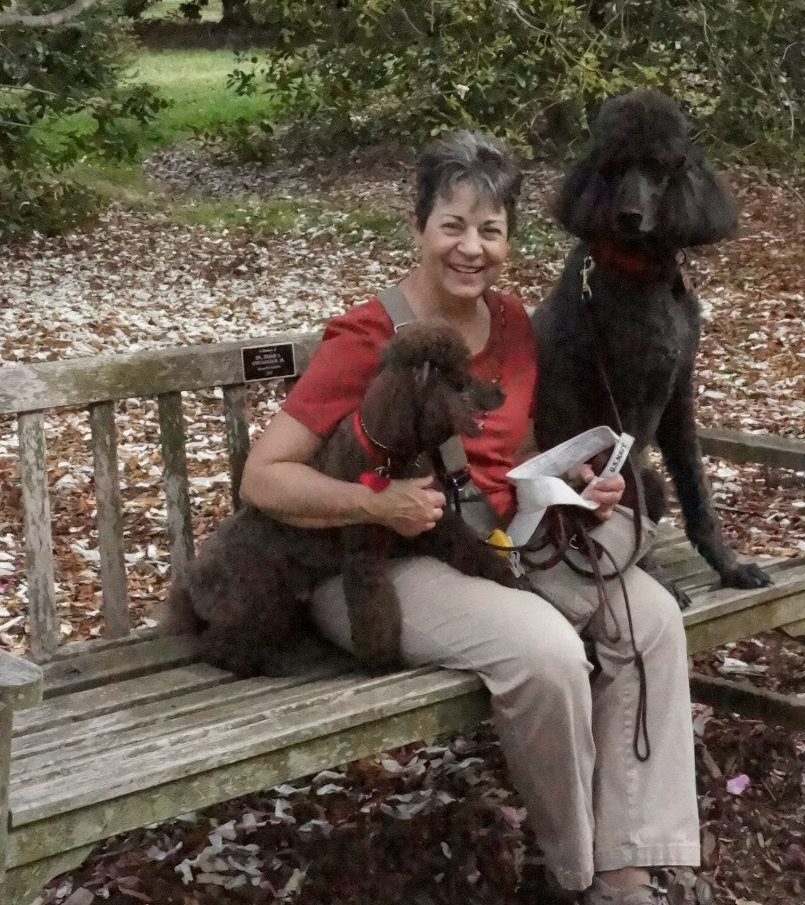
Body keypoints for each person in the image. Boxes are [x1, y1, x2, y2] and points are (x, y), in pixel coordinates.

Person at [240, 130, 702, 905]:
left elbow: (515, 452)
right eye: (452, 225)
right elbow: (265, 477)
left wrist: (577, 483)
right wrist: (375, 500)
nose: (471, 248)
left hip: (488, 544)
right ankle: (572, 871)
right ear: (419, 228)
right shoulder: (372, 338)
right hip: (373, 569)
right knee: (548, 654)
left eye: (490, 229)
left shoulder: (514, 323)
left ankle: (630, 864)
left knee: (651, 621)